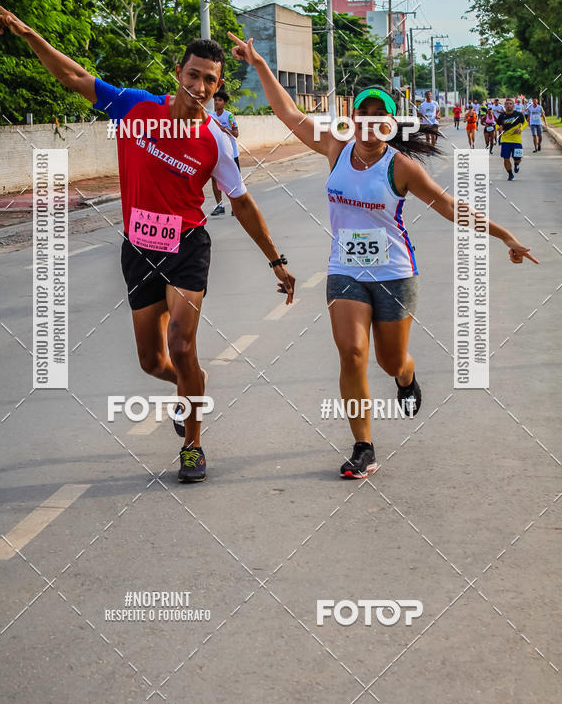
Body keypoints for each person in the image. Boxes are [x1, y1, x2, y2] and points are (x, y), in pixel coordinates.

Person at [0, 0, 295, 483]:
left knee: (182, 342)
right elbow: (73, 76)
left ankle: (192, 445)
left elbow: (241, 203)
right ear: (178, 73)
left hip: (188, 246)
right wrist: (29, 32)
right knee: (155, 362)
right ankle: (191, 385)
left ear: (218, 86)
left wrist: (276, 260)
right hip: (139, 249)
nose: (199, 87)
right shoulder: (135, 106)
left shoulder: (216, 141)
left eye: (210, 80)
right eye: (193, 75)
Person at [228, 31, 538, 480]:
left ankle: (407, 378)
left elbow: (451, 207)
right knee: (352, 353)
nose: (371, 123)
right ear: (353, 119)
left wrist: (504, 234)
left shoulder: (400, 167)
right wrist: (259, 65)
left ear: (390, 125)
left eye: (381, 117)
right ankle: (363, 446)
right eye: (364, 114)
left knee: (390, 360)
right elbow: (290, 114)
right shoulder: (335, 148)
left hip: (394, 273)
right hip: (345, 271)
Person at [210, 89, 240, 215]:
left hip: (231, 153)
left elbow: (236, 133)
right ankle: (220, 205)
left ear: (224, 103)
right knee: (215, 179)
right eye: (215, 100)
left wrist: (224, 129)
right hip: (216, 153)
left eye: (220, 100)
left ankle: (236, 206)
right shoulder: (210, 116)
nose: (217, 102)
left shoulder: (229, 116)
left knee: (233, 180)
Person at [497, 96, 528, 181]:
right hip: (505, 141)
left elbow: (525, 123)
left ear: (513, 106)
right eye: (507, 104)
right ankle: (510, 174)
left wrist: (521, 129)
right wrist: (498, 128)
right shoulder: (502, 116)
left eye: (510, 104)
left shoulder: (519, 115)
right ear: (504, 106)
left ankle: (516, 164)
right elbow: (497, 124)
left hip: (516, 141)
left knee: (517, 158)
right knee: (506, 158)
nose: (508, 105)